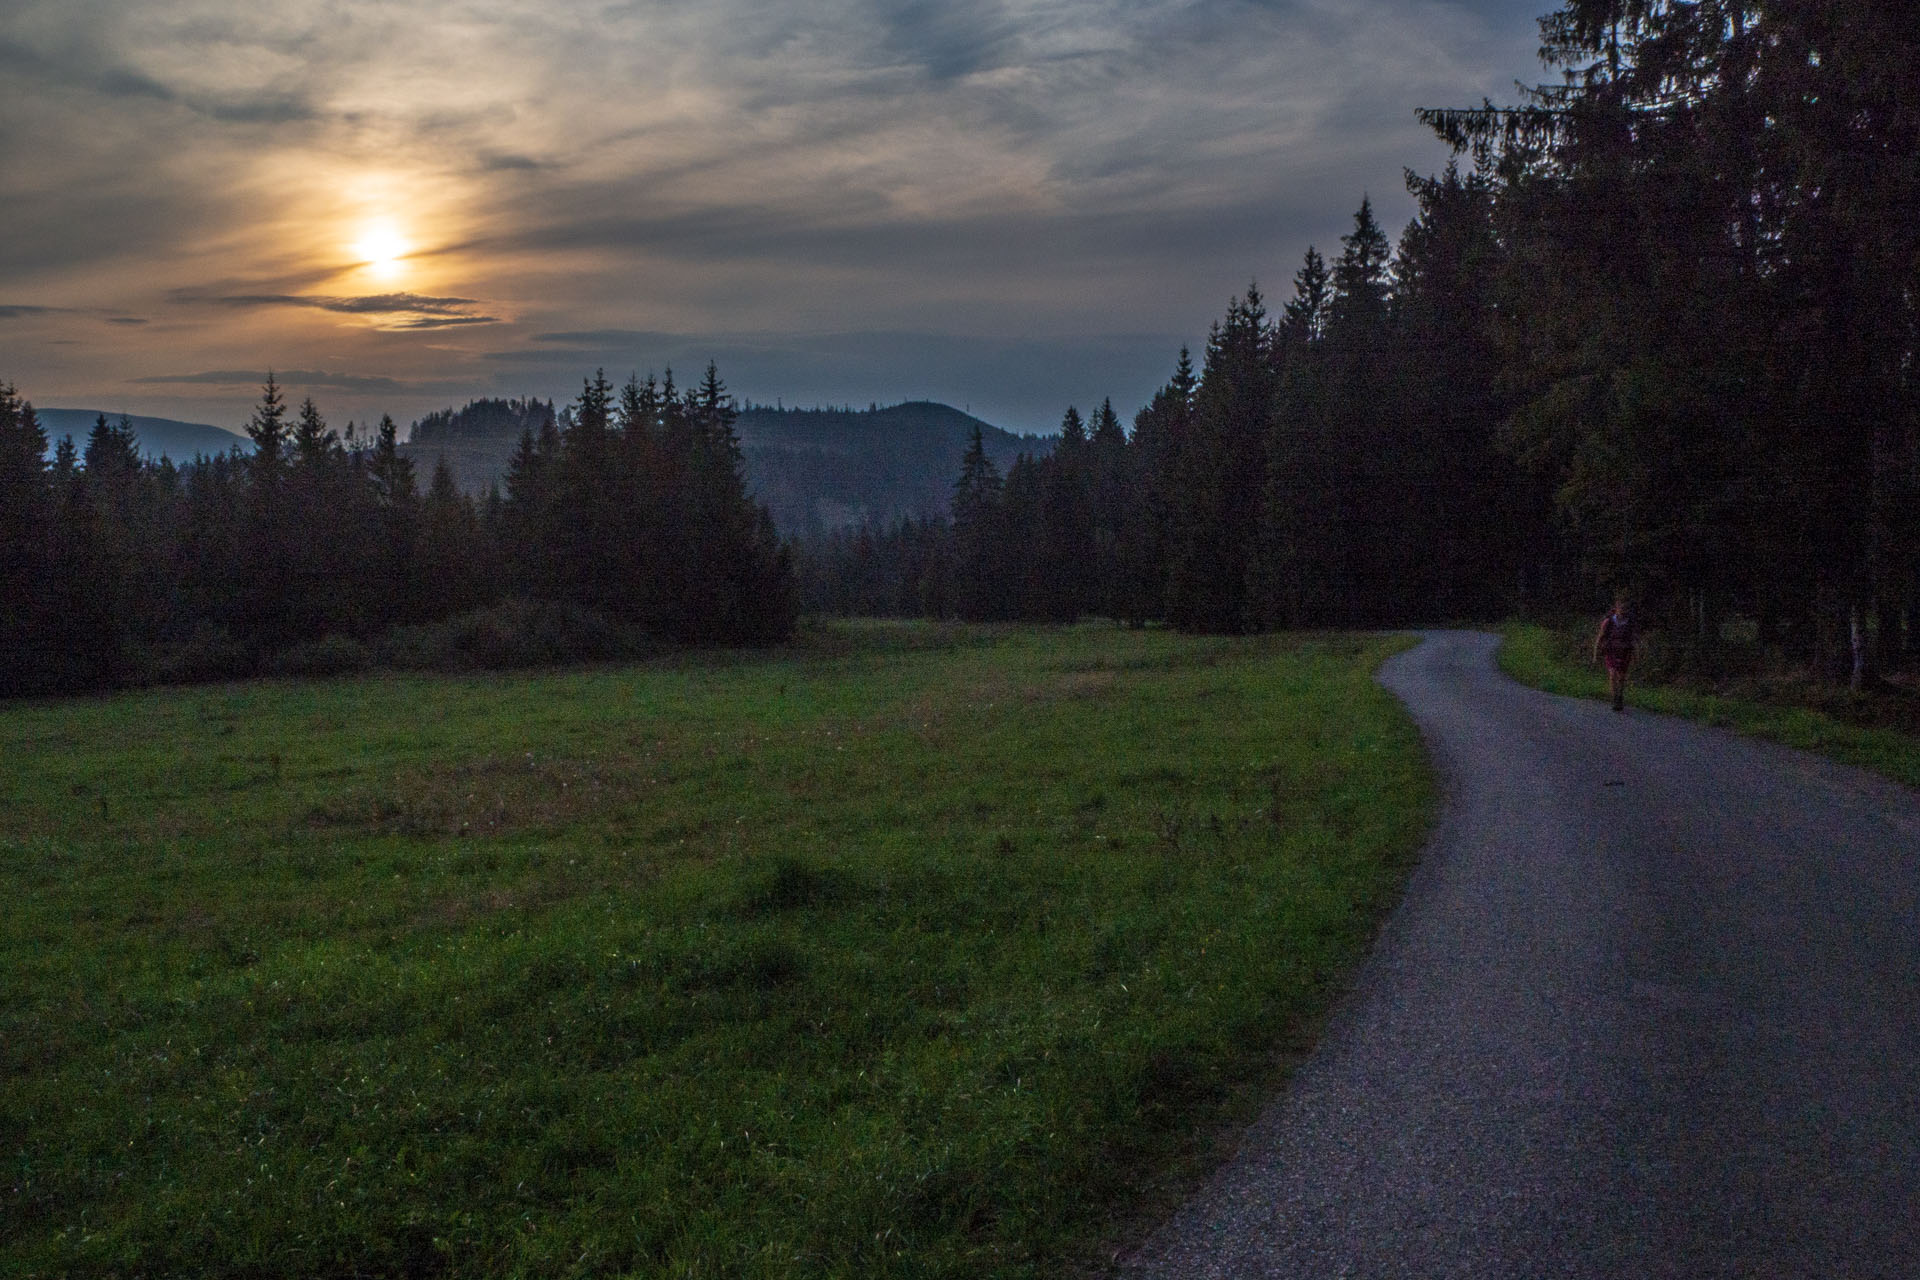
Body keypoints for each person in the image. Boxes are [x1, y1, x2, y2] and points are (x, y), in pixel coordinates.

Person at [1594, 596, 1637, 713]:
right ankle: (1615, 699)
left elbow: (1633, 639)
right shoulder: (1608, 622)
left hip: (1624, 652)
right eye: (1621, 608)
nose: (1623, 610)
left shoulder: (1629, 623)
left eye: (1625, 608)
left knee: (1622, 677)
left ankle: (1620, 696)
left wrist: (1635, 654)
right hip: (1611, 650)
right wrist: (1596, 653)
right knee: (1612, 674)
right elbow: (1600, 637)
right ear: (1616, 608)